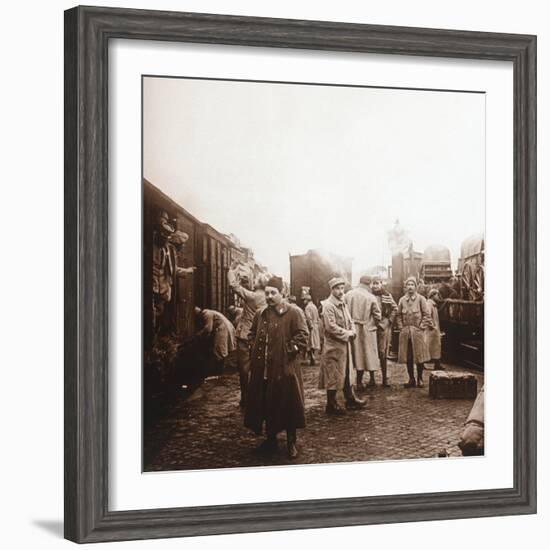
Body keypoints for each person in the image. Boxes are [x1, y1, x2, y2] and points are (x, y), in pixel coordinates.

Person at [244, 276, 309, 459]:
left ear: (283, 294)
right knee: (266, 403)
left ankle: (291, 442)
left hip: (285, 369)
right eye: (267, 293)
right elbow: (252, 333)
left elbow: (303, 336)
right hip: (264, 370)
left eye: (273, 293)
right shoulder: (261, 314)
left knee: (289, 404)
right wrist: (254, 345)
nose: (270, 297)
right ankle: (270, 439)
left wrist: (286, 352)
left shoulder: (293, 313)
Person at [318, 277, 366, 414]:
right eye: (337, 289)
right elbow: (330, 327)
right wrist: (347, 334)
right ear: (332, 290)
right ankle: (331, 404)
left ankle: (350, 399)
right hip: (333, 346)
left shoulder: (342, 303)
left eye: (342, 288)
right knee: (333, 374)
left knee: (346, 373)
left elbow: (350, 320)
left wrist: (353, 331)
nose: (340, 291)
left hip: (344, 346)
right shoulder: (328, 305)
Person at [228, 263, 267, 409]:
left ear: (258, 283)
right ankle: (258, 397)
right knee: (259, 367)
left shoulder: (252, 296)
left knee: (244, 369)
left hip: (245, 335)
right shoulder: (267, 298)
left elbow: (234, 286)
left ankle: (245, 397)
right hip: (259, 335)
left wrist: (231, 271)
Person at [344, 275, 382, 390]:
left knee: (356, 355)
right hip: (367, 329)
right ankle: (372, 379)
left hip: (352, 328)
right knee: (369, 354)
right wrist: (373, 323)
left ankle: (358, 381)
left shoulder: (348, 295)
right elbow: (378, 315)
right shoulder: (371, 297)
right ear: (369, 284)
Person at [396, 277, 430, 388]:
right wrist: (401, 327)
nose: (410, 287)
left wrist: (421, 327)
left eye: (412, 285)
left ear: (416, 287)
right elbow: (398, 315)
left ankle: (420, 378)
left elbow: (426, 315)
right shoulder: (402, 300)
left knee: (419, 356)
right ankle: (411, 378)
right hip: (406, 333)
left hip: (417, 332)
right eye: (408, 285)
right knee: (408, 356)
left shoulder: (421, 299)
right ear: (406, 287)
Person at [371, 276, 398, 386]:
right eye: (374, 283)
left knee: (383, 353)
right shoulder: (369, 295)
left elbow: (395, 308)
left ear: (382, 284)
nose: (375, 285)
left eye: (377, 283)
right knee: (371, 352)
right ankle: (372, 379)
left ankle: (384, 379)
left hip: (383, 327)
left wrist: (388, 321)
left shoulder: (387, 295)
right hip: (371, 326)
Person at [194, 307, 237, 375]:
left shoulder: (206, 314)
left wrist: (199, 334)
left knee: (219, 350)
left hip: (222, 329)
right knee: (220, 350)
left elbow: (208, 328)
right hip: (224, 327)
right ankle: (219, 369)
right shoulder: (209, 312)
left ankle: (218, 371)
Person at [425, 289, 444, 370]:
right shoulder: (429, 304)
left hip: (433, 331)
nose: (438, 296)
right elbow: (427, 315)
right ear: (432, 296)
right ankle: (422, 364)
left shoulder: (433, 304)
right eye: (437, 295)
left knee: (435, 347)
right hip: (431, 331)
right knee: (428, 347)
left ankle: (437, 364)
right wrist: (432, 326)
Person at [303, 294, 321, 365]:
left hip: (311, 327)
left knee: (310, 343)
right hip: (316, 325)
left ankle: (312, 358)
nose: (304, 301)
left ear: (307, 300)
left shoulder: (307, 307)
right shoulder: (314, 306)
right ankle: (312, 357)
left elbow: (308, 317)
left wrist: (310, 325)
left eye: (304, 300)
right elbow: (317, 317)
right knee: (314, 343)